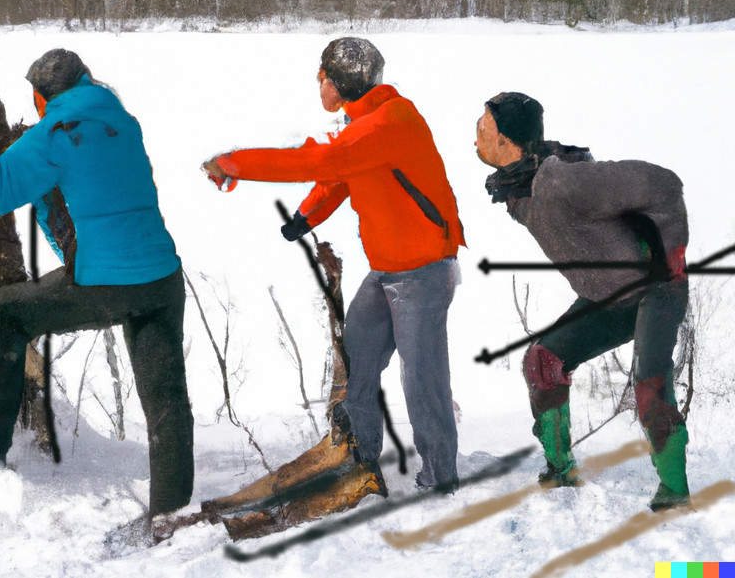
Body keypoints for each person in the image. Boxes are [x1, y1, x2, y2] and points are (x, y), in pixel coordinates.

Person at [0, 49, 194, 518]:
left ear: (41, 98)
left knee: (4, 314)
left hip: (104, 284)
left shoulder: (53, 135)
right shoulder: (123, 121)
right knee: (167, 404)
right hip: (162, 278)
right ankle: (171, 514)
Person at [204, 37, 465, 492]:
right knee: (357, 358)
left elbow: (322, 160)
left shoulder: (389, 121)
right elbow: (341, 176)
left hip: (423, 272)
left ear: (338, 82)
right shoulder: (363, 125)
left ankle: (441, 479)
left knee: (422, 377)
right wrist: (305, 218)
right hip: (388, 269)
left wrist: (233, 164)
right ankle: (360, 460)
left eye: (321, 74)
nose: (316, 81)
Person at [475, 91, 691, 511]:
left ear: (505, 140)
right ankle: (561, 470)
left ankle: (676, 496)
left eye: (484, 122)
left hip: (655, 290)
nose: (476, 129)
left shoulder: (558, 181)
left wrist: (671, 257)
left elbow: (664, 183)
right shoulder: (518, 187)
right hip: (606, 300)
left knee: (650, 384)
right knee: (543, 361)